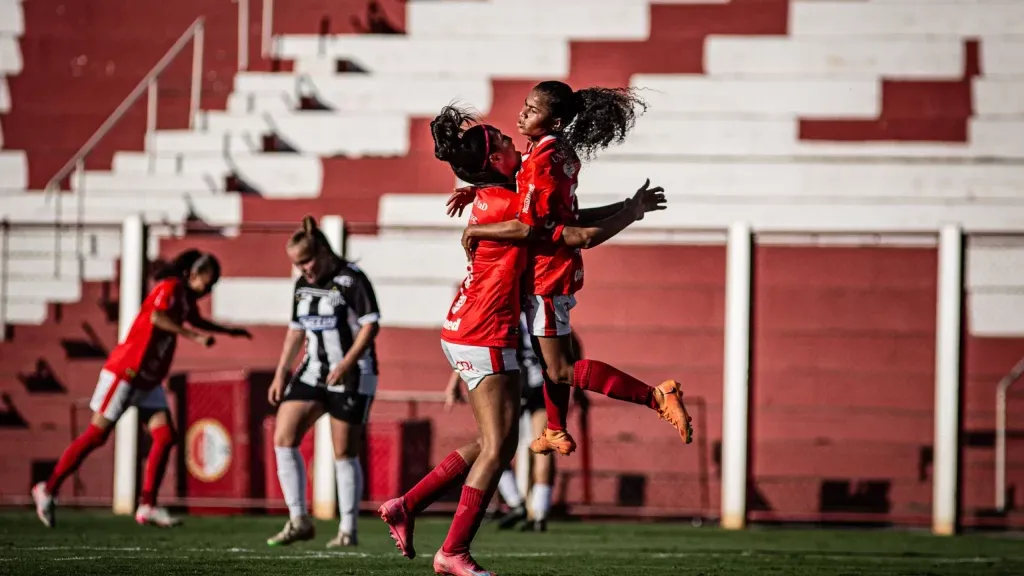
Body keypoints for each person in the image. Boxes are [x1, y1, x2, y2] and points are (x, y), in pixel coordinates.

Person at [378, 107, 662, 576]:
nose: (513, 141)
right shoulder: (510, 204)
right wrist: (629, 212)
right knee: (499, 447)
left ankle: (407, 505)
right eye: (502, 142)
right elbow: (571, 231)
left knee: (494, 440)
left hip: (474, 326)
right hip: (482, 329)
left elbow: (544, 211)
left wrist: (477, 198)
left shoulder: (502, 193)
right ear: (494, 160)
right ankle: (452, 552)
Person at [452, 81, 694, 458]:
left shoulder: (542, 161)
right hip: (548, 275)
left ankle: (656, 396)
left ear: (556, 120)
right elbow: (561, 214)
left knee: (562, 368)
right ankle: (554, 428)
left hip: (547, 276)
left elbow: (543, 229)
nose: (522, 114)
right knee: (552, 360)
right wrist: (481, 190)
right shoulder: (545, 152)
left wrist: (477, 228)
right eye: (525, 105)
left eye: (533, 110)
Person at [31, 250, 251, 528]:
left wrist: (229, 332)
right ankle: (47, 489)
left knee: (166, 436)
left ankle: (147, 505)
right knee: (97, 436)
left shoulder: (184, 299)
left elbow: (195, 320)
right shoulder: (169, 288)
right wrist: (193, 337)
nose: (207, 292)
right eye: (206, 285)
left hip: (148, 380)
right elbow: (157, 318)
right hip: (126, 372)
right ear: (193, 275)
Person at [265, 216, 382, 548]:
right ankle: (299, 519)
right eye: (297, 263)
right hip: (313, 371)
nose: (303, 268)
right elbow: (295, 330)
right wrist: (280, 372)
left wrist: (347, 363)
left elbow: (370, 326)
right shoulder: (301, 285)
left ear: (324, 252)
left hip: (354, 374)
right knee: (284, 437)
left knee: (344, 451)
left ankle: (348, 529)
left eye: (307, 260)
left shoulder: (352, 280)